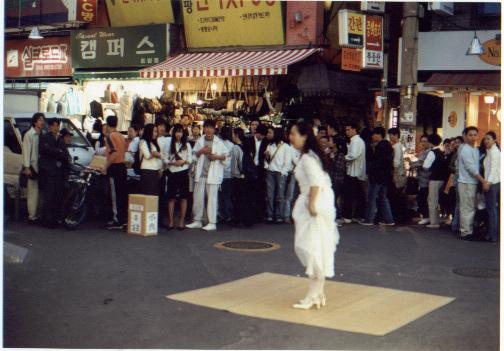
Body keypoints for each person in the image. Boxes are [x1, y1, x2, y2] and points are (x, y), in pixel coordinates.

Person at [289, 121, 339, 310]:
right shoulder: (310, 156)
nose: (291, 138)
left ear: (305, 136)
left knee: (311, 248)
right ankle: (318, 293)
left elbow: (316, 182)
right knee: (316, 247)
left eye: (294, 134)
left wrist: (311, 204)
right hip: (317, 202)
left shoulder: (309, 158)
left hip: (314, 203)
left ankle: (313, 295)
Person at [186, 119, 228, 231]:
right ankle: (197, 220)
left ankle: (212, 222)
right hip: (201, 174)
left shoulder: (219, 142)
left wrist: (216, 157)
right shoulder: (200, 141)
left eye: (211, 128)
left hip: (213, 174)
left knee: (212, 199)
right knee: (198, 198)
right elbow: (193, 156)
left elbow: (226, 157)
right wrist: (201, 151)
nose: (208, 130)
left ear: (214, 129)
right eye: (207, 127)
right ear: (203, 129)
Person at [457, 127, 488, 240]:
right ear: (465, 136)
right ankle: (465, 232)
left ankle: (468, 230)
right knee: (466, 208)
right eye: (470, 135)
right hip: (466, 182)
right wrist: (483, 181)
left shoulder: (474, 149)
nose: (473, 137)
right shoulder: (465, 149)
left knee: (471, 207)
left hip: (473, 183)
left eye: (475, 135)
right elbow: (472, 169)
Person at [361, 127, 395, 226]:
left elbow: (376, 163)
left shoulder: (380, 146)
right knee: (383, 198)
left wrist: (370, 173)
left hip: (377, 176)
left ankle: (369, 219)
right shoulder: (388, 145)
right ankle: (389, 220)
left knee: (371, 197)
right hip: (385, 177)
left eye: (374, 134)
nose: (372, 136)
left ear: (378, 134)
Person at [38, 118, 67, 228]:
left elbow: (64, 153)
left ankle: (55, 219)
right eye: (54, 125)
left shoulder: (60, 139)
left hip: (58, 172)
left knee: (57, 196)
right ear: (50, 127)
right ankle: (46, 220)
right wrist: (58, 151)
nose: (56, 128)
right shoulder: (45, 137)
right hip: (48, 171)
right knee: (48, 196)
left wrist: (58, 152)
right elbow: (46, 150)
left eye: (57, 126)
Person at [165, 124, 193, 230]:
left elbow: (190, 159)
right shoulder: (169, 145)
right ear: (173, 133)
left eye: (180, 132)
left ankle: (181, 222)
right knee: (171, 198)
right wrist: (172, 163)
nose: (178, 134)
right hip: (172, 172)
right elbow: (165, 159)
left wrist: (183, 161)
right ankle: (171, 222)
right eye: (177, 132)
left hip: (183, 172)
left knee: (183, 198)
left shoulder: (187, 145)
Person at [102, 115, 128, 230]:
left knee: (114, 195)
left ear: (107, 125)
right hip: (122, 167)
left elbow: (114, 153)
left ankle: (117, 219)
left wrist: (105, 167)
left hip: (114, 167)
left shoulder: (110, 136)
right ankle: (123, 219)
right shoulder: (121, 136)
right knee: (122, 193)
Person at [422, 134, 450, 229]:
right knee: (438, 200)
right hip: (442, 179)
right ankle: (437, 219)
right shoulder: (442, 152)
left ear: (430, 142)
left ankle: (434, 222)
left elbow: (426, 166)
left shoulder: (432, 152)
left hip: (434, 179)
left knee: (432, 200)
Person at [264, 127, 290, 224]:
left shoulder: (286, 147)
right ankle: (270, 215)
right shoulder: (270, 146)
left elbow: (287, 162)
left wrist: (283, 172)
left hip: (280, 173)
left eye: (272, 133)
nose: (270, 135)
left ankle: (278, 215)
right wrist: (267, 162)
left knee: (280, 195)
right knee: (270, 195)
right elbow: (266, 160)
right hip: (270, 171)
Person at [341, 122, 366, 223]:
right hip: (355, 172)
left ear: (354, 129)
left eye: (348, 130)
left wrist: (344, 158)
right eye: (346, 130)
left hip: (354, 172)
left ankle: (348, 216)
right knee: (357, 194)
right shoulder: (356, 141)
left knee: (350, 195)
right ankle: (357, 216)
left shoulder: (356, 141)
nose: (347, 132)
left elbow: (353, 155)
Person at [22, 112, 45, 224]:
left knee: (40, 192)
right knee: (33, 192)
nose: (42, 122)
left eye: (43, 120)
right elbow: (26, 151)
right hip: (33, 166)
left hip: (42, 166)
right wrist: (27, 167)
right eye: (40, 120)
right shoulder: (29, 135)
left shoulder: (42, 134)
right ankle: (32, 216)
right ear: (35, 121)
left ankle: (39, 214)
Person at [244, 123, 268, 223]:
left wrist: (267, 156)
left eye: (263, 136)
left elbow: (267, 157)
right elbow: (245, 156)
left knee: (259, 193)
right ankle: (249, 216)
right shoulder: (248, 140)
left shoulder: (266, 142)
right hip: (250, 169)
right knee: (249, 194)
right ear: (256, 133)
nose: (261, 137)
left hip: (260, 169)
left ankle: (258, 216)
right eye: (260, 135)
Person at [482, 131, 500, 242]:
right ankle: (491, 233)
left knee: (492, 209)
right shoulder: (490, 151)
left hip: (493, 184)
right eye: (485, 139)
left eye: (488, 139)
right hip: (492, 182)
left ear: (494, 140)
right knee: (491, 209)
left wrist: (487, 183)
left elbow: (493, 170)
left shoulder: (494, 152)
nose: (486, 141)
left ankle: (493, 235)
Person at [388, 127, 408, 224]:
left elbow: (396, 162)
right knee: (398, 197)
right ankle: (400, 218)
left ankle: (399, 218)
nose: (390, 137)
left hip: (398, 175)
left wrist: (394, 176)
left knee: (397, 197)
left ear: (396, 135)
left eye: (391, 135)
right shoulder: (397, 146)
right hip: (399, 174)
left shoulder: (397, 147)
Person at [138, 124, 163, 196]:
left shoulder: (154, 142)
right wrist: (155, 154)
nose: (156, 134)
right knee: (148, 193)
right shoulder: (143, 142)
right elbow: (148, 155)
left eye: (156, 132)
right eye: (154, 131)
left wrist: (160, 169)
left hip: (155, 170)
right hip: (147, 170)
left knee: (154, 194)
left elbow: (159, 157)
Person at [413, 135, 432, 224]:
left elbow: (421, 163)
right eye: (422, 141)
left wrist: (412, 164)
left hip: (427, 179)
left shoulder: (429, 152)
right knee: (421, 197)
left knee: (422, 198)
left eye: (425, 141)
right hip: (421, 178)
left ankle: (426, 216)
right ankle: (425, 215)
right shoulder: (422, 152)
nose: (423, 143)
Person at [219, 125, 235, 224]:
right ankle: (228, 215)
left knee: (220, 196)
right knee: (228, 196)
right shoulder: (232, 145)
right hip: (229, 174)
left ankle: (222, 214)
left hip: (220, 173)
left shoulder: (218, 144)